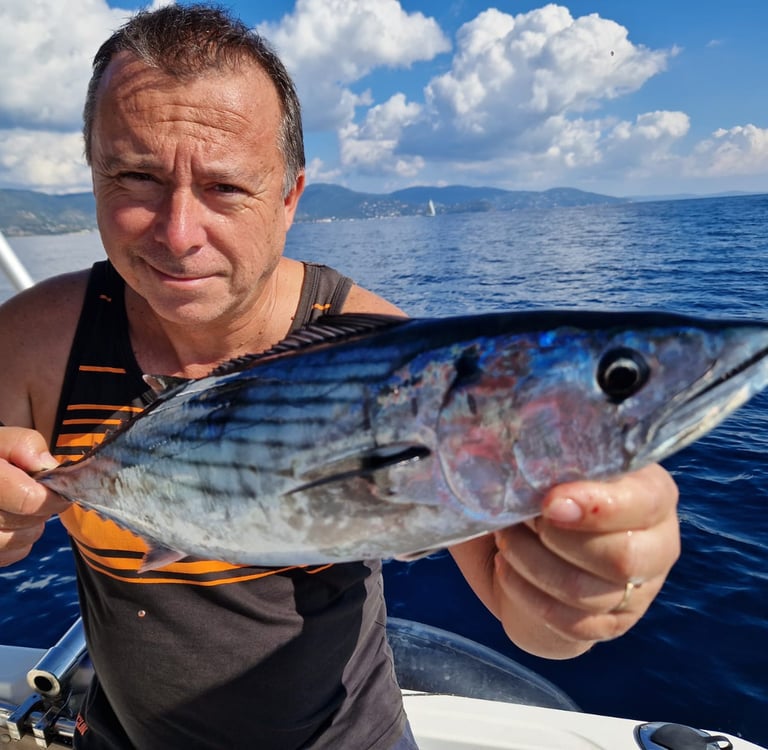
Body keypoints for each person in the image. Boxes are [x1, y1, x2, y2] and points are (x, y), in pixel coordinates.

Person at [0, 4, 680, 749]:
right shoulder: (36, 340)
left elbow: (525, 615)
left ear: (289, 197)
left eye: (227, 187)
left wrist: (581, 597)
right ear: (94, 175)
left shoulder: (393, 360)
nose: (179, 233)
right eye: (135, 177)